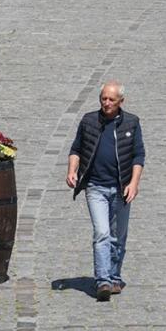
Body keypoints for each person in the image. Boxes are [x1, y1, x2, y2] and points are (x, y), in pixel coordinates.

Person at [65, 83, 144, 303]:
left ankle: (114, 276)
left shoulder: (131, 122)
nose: (106, 103)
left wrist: (134, 183)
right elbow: (76, 149)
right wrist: (72, 171)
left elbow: (139, 156)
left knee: (118, 236)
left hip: (121, 188)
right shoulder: (89, 121)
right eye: (103, 99)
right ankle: (103, 281)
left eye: (111, 100)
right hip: (95, 187)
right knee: (102, 233)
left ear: (121, 101)